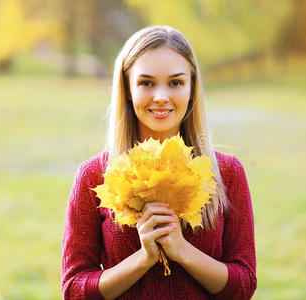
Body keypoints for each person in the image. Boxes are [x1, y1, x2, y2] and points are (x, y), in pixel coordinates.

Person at [61, 25, 256, 300]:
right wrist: (143, 258)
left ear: (192, 88)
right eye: (146, 83)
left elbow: (244, 285)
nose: (161, 96)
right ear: (128, 88)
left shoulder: (226, 173)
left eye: (176, 82)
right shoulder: (94, 176)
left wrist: (183, 251)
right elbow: (74, 289)